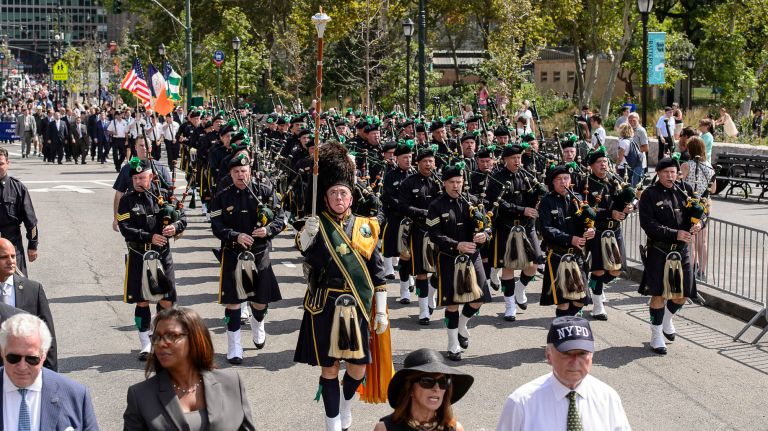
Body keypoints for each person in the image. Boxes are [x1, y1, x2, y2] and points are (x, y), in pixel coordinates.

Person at [294, 142, 392, 431]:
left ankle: (345, 403)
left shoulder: (365, 226)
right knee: (329, 367)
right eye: (334, 193)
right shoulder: (316, 224)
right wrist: (306, 236)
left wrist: (382, 312)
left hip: (358, 305)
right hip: (324, 303)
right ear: (325, 197)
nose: (339, 197)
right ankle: (331, 421)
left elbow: (377, 273)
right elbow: (305, 254)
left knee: (357, 367)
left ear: (351, 198)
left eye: (344, 193)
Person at [123, 307, 255, 430]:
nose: (161, 343)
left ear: (195, 338)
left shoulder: (231, 383)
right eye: (157, 337)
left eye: (171, 336)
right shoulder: (140, 396)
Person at [210, 154, 285, 364]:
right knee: (233, 302)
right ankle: (234, 346)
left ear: (250, 171)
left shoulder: (265, 190)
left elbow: (281, 217)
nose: (241, 175)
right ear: (230, 174)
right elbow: (216, 225)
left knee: (260, 301)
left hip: (259, 251)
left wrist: (268, 229)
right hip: (233, 252)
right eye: (236, 172)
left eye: (244, 171)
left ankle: (258, 323)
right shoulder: (222, 196)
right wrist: (234, 235)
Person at [496, 316, 631, 431]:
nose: (575, 361)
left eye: (582, 353)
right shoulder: (521, 403)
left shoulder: (608, 398)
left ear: (592, 356)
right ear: (549, 356)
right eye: (566, 354)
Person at [117, 158, 187, 361]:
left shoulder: (163, 196)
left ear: (151, 177)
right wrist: (148, 236)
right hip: (139, 254)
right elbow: (125, 228)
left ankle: (160, 337)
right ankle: (145, 344)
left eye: (143, 178)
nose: (139, 181)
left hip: (162, 254)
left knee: (167, 300)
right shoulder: (127, 200)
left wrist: (176, 227)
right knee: (142, 300)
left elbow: (182, 217)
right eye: (136, 178)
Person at [427, 164, 491, 361]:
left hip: (473, 257)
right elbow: (434, 234)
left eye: (459, 182)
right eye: (452, 182)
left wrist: (484, 235)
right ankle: (453, 343)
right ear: (445, 183)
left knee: (479, 297)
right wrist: (457, 245)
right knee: (453, 303)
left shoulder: (473, 202)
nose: (456, 186)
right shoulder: (436, 206)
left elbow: (488, 226)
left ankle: (463, 324)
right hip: (448, 258)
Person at [638, 156, 702, 355]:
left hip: (681, 251)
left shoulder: (686, 191)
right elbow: (648, 224)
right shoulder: (649, 194)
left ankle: (666, 319)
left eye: (673, 172)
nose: (670, 176)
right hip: (659, 250)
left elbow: (700, 213)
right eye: (666, 172)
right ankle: (656, 335)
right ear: (658, 173)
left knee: (684, 294)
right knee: (658, 294)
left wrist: (700, 224)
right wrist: (674, 233)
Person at [0, 313, 99, 430]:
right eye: (14, 358)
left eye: (32, 359)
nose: (22, 366)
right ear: (2, 352)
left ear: (43, 355)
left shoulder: (76, 395)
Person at [485, 144, 541, 322]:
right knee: (508, 266)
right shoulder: (496, 179)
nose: (518, 161)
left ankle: (520, 289)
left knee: (533, 264)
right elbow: (498, 204)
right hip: (506, 226)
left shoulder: (526, 176)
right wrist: (521, 209)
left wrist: (539, 196)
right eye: (513, 158)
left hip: (527, 226)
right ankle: (509, 306)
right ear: (505, 160)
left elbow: (532, 199)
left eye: (519, 158)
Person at [538, 166, 595, 317]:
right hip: (557, 255)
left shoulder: (578, 199)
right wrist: (570, 239)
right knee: (563, 301)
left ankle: (566, 323)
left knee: (580, 299)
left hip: (576, 256)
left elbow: (586, 222)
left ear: (570, 180)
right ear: (553, 182)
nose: (563, 182)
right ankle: (563, 332)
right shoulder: (546, 202)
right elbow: (546, 229)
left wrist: (590, 230)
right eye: (559, 179)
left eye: (566, 178)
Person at [375, 348, 473, 431]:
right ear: (410, 389)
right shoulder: (385, 428)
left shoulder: (455, 428)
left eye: (443, 382)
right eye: (427, 381)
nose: (437, 388)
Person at [0, 238, 57, 371]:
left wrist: (51, 377)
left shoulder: (33, 290)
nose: (11, 261)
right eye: (4, 257)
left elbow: (48, 337)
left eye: (13, 256)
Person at [679, 137, 716, 282]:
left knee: (691, 240)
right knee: (703, 240)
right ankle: (702, 271)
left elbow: (680, 184)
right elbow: (713, 188)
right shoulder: (709, 166)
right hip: (705, 205)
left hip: (691, 205)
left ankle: (691, 269)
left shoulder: (687, 165)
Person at [0, 148, 38, 276]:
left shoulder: (18, 188)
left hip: (13, 249)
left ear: (7, 163)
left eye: (1, 163)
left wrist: (33, 245)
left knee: (19, 286)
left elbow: (31, 221)